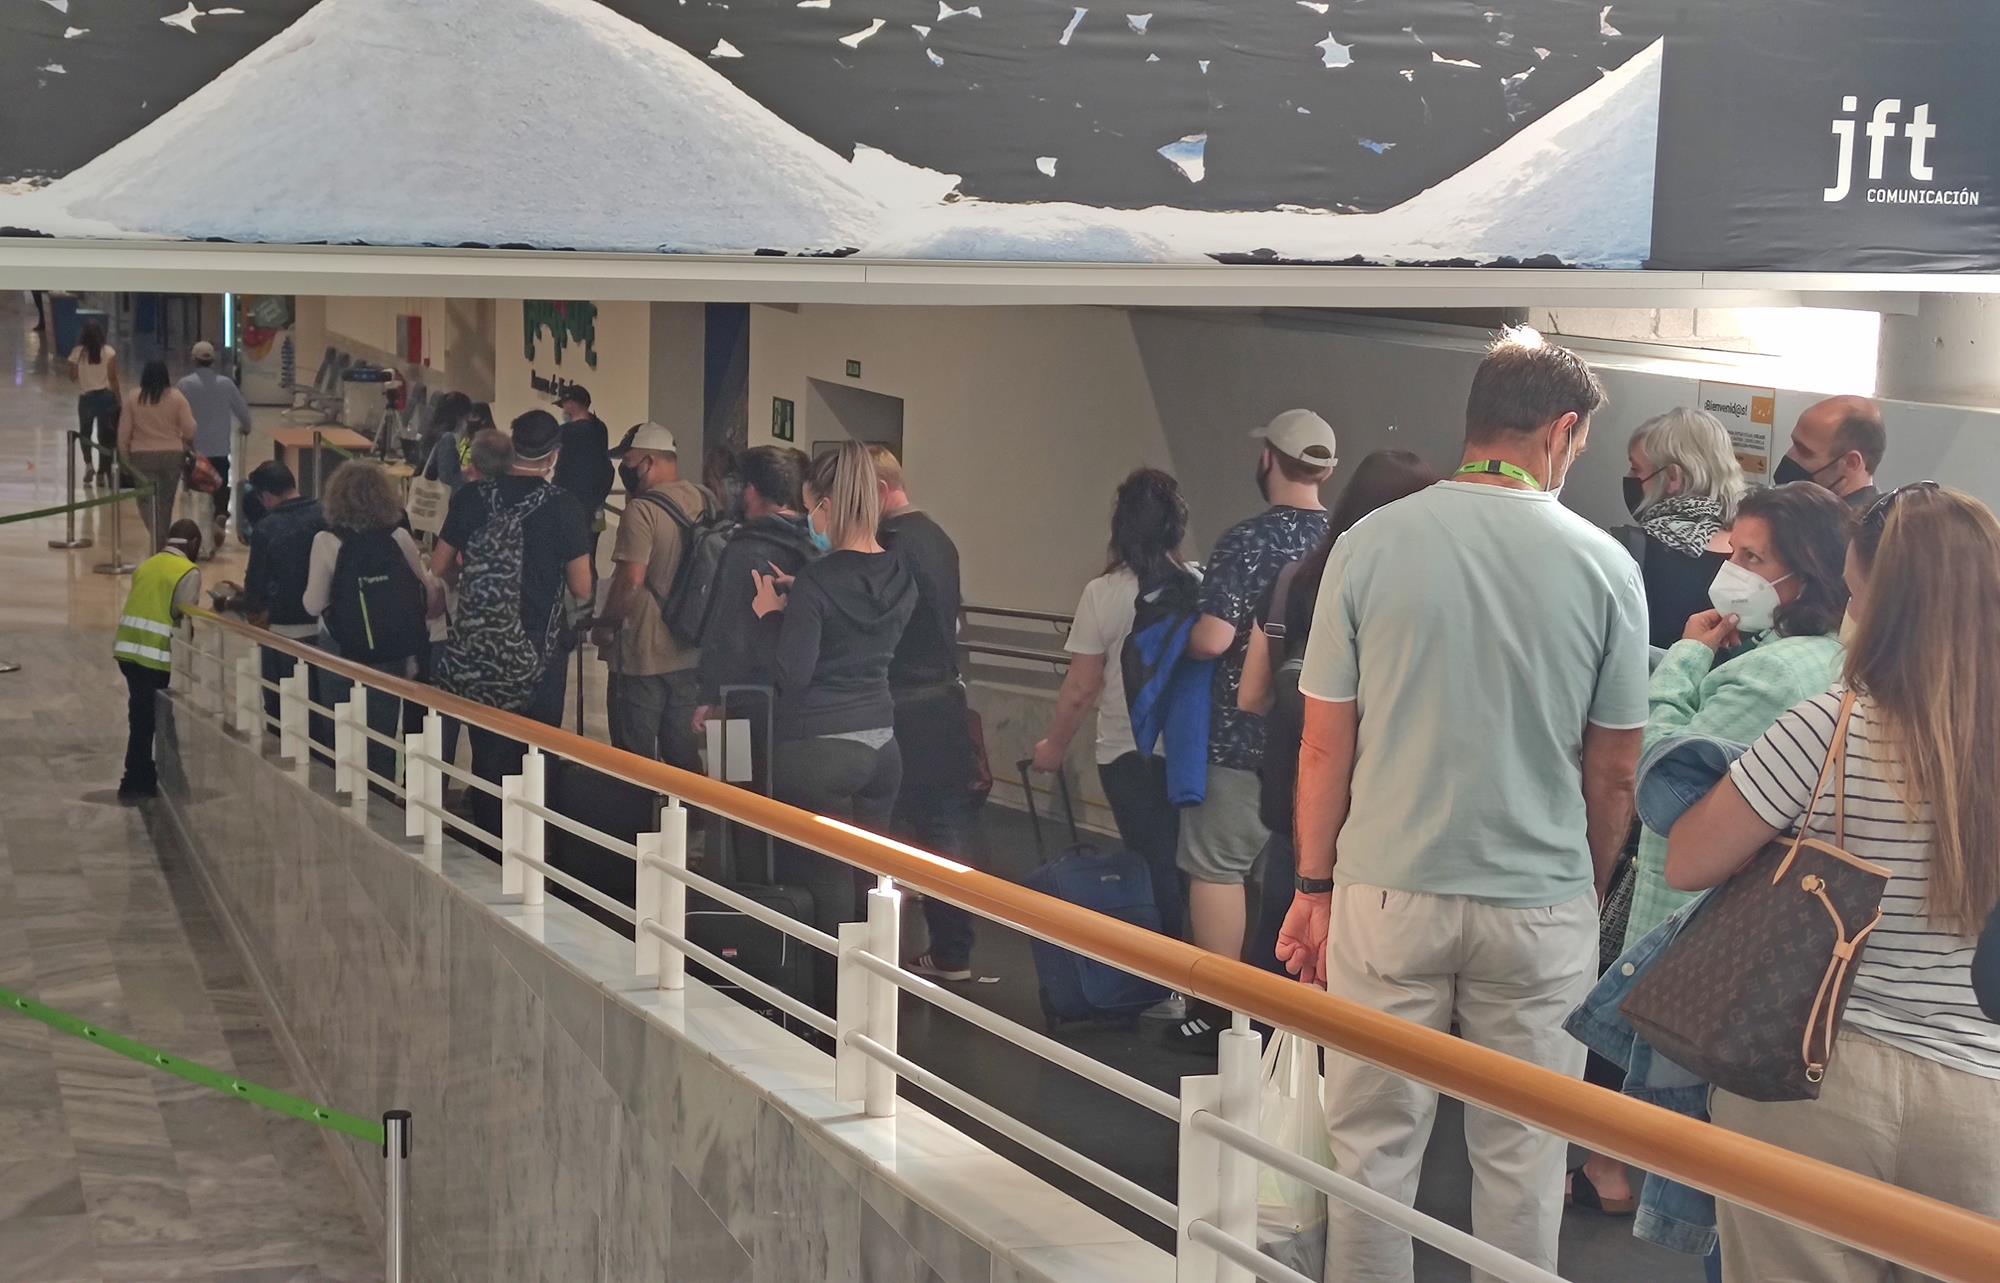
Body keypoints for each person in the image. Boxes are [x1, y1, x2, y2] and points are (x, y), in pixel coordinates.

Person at [1280, 329, 1647, 1283]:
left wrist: (1313, 885)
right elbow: (1613, 771)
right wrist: (1584, 885)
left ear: (1476, 421)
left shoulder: (1368, 544)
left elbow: (1326, 742)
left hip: (1387, 890)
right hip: (1539, 902)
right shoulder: (1607, 565)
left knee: (1371, 1149)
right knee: (1525, 1155)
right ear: (1563, 433)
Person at [1667, 483, 2000, 1283]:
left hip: (1809, 1076)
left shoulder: (1829, 723)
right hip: (1982, 1100)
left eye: (1854, 595)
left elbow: (1688, 860)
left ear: (1881, 606)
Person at [1567, 481, 1855, 1220]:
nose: (1735, 569)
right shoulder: (1819, 660)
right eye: (1736, 549)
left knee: (1690, 1135)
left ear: (1809, 574)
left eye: (1756, 557)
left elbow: (1661, 763)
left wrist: (1687, 660)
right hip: (1753, 925)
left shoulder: (1770, 673)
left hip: (1696, 919)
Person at [1236, 450, 1438, 983]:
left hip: (1296, 809)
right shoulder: (1416, 598)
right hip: (1384, 823)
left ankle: (1261, 1059)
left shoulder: (1294, 583)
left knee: (1282, 954)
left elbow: (1252, 694)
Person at [1170, 408, 1336, 1051]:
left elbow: (1213, 640)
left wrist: (1169, 645)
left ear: (1268, 459)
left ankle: (1220, 1013)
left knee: (1218, 867)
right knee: (1297, 878)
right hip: (1318, 743)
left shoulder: (1246, 542)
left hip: (1240, 739)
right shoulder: (1341, 542)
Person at [752, 442, 917, 1009]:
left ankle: (829, 1011)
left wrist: (776, 617)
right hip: (882, 745)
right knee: (874, 886)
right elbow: (865, 614)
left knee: (827, 890)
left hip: (819, 749)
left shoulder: (819, 581)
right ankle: (876, 1005)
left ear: (826, 505)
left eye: (811, 511)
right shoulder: (900, 570)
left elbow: (793, 676)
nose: (811, 523)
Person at [1033, 468, 1196, 956]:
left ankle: (1161, 974)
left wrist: (1054, 746)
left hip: (1127, 751)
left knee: (1148, 863)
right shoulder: (1197, 586)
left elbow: (1082, 687)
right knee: (1191, 866)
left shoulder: (1102, 594)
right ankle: (1202, 976)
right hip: (1187, 750)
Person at [430, 411, 593, 841]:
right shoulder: (564, 506)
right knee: (535, 748)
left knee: (488, 749)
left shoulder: (471, 497)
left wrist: (468, 595)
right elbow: (582, 586)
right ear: (553, 455)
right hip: (539, 648)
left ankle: (489, 838)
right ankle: (533, 844)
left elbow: (440, 564)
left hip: (479, 644)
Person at [871, 446, 984, 982]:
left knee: (888, 820)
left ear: (875, 489)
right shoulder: (939, 538)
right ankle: (953, 949)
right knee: (948, 823)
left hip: (904, 698)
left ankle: (878, 942)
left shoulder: (890, 544)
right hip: (945, 697)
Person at [304, 461, 440, 784]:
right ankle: (380, 802)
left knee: (341, 731)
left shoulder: (326, 540)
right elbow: (425, 587)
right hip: (390, 650)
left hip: (339, 650)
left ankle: (346, 797)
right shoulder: (399, 537)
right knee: (380, 736)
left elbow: (313, 604)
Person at [590, 423, 708, 770]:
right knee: (682, 751)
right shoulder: (703, 499)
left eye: (628, 461)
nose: (625, 470)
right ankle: (690, 818)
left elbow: (631, 579)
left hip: (642, 652)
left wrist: (607, 625)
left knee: (633, 755)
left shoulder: (642, 511)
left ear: (650, 460)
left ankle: (636, 819)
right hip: (689, 646)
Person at [1623, 408, 1746, 651]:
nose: (1629, 477)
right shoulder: (1757, 547)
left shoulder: (1638, 549)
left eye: (1636, 469)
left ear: (1672, 477)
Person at [113, 520, 204, 803]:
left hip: (127, 650)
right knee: (147, 717)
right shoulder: (188, 571)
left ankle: (141, 772)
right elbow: (184, 613)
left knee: (139, 712)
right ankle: (136, 777)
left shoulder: (148, 564)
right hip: (153, 653)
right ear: (193, 544)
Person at [240, 460, 327, 727]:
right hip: (325, 633)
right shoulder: (325, 514)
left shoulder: (267, 528)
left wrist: (251, 609)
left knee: (284, 719)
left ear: (265, 496)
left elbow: (255, 585)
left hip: (282, 633)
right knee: (320, 714)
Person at [177, 340, 254, 549]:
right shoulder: (226, 384)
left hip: (194, 450)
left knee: (196, 488)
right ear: (213, 360)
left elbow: (177, 414)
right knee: (219, 484)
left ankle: (199, 528)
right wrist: (246, 426)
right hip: (220, 448)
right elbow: (243, 412)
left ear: (194, 360)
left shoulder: (185, 385)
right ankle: (220, 512)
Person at [118, 359, 198, 553]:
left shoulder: (133, 398)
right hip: (172, 456)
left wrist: (124, 460)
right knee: (166, 502)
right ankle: (161, 541)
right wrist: (184, 440)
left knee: (145, 502)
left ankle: (159, 540)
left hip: (142, 457)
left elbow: (123, 433)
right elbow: (190, 429)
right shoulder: (177, 398)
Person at [1775, 394, 1887, 512]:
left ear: (1851, 463)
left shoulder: (1848, 528)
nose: (1790, 455)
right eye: (1794, 444)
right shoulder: (1810, 511)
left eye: (1804, 452)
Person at [553, 385, 616, 562]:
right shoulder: (600, 428)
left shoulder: (566, 432)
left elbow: (562, 470)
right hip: (597, 505)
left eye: (564, 405)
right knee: (591, 556)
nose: (563, 410)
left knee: (570, 557)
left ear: (571, 404)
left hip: (572, 506)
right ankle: (591, 588)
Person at [67, 320, 121, 485]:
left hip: (86, 398)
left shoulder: (77, 353)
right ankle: (101, 473)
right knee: (105, 436)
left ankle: (88, 464)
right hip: (106, 397)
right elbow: (112, 378)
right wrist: (118, 397)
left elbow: (72, 377)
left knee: (85, 433)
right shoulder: (109, 352)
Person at [420, 391, 477, 493]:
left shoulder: (432, 433)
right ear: (459, 416)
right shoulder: (447, 438)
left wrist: (462, 473)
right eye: (466, 417)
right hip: (442, 501)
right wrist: (468, 484)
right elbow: (447, 479)